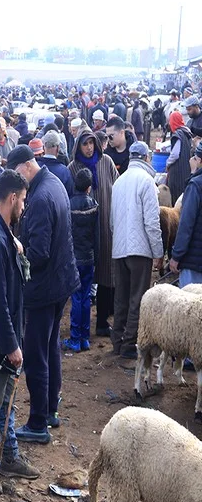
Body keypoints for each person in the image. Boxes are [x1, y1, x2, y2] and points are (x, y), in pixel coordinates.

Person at [6, 145, 79, 443]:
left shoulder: (38, 199)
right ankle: (50, 410)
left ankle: (38, 423)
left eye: (15, 174)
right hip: (61, 283)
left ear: (25, 167)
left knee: (36, 354)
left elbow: (39, 252)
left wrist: (18, 249)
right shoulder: (55, 183)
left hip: (44, 287)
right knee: (50, 347)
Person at [109, 142, 163, 359]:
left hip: (119, 248)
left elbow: (112, 221)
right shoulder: (147, 181)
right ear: (145, 158)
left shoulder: (119, 182)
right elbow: (151, 222)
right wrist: (158, 251)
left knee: (121, 296)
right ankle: (130, 345)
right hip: (140, 250)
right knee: (137, 297)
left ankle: (117, 340)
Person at [68, 129, 118, 337]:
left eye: (91, 143)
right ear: (78, 146)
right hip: (83, 235)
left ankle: (102, 321)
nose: (89, 148)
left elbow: (116, 186)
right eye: (84, 144)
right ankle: (80, 328)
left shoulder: (106, 162)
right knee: (82, 285)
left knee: (107, 273)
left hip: (106, 228)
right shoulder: (73, 168)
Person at [63, 169, 98, 353]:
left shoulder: (69, 205)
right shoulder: (93, 204)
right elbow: (97, 235)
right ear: (89, 188)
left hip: (74, 259)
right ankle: (84, 338)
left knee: (76, 298)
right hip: (89, 258)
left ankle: (75, 338)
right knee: (86, 298)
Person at [170, 142, 202, 285]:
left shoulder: (195, 185)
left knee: (191, 305)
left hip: (194, 261)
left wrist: (176, 256)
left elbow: (186, 223)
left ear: (199, 160)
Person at [166, 111, 194, 205]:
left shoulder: (178, 134)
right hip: (186, 168)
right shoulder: (186, 132)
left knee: (176, 195)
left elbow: (175, 154)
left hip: (177, 171)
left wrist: (168, 163)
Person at [40, 131, 73, 197]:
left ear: (43, 148)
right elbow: (70, 195)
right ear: (58, 148)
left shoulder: (35, 167)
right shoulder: (64, 172)